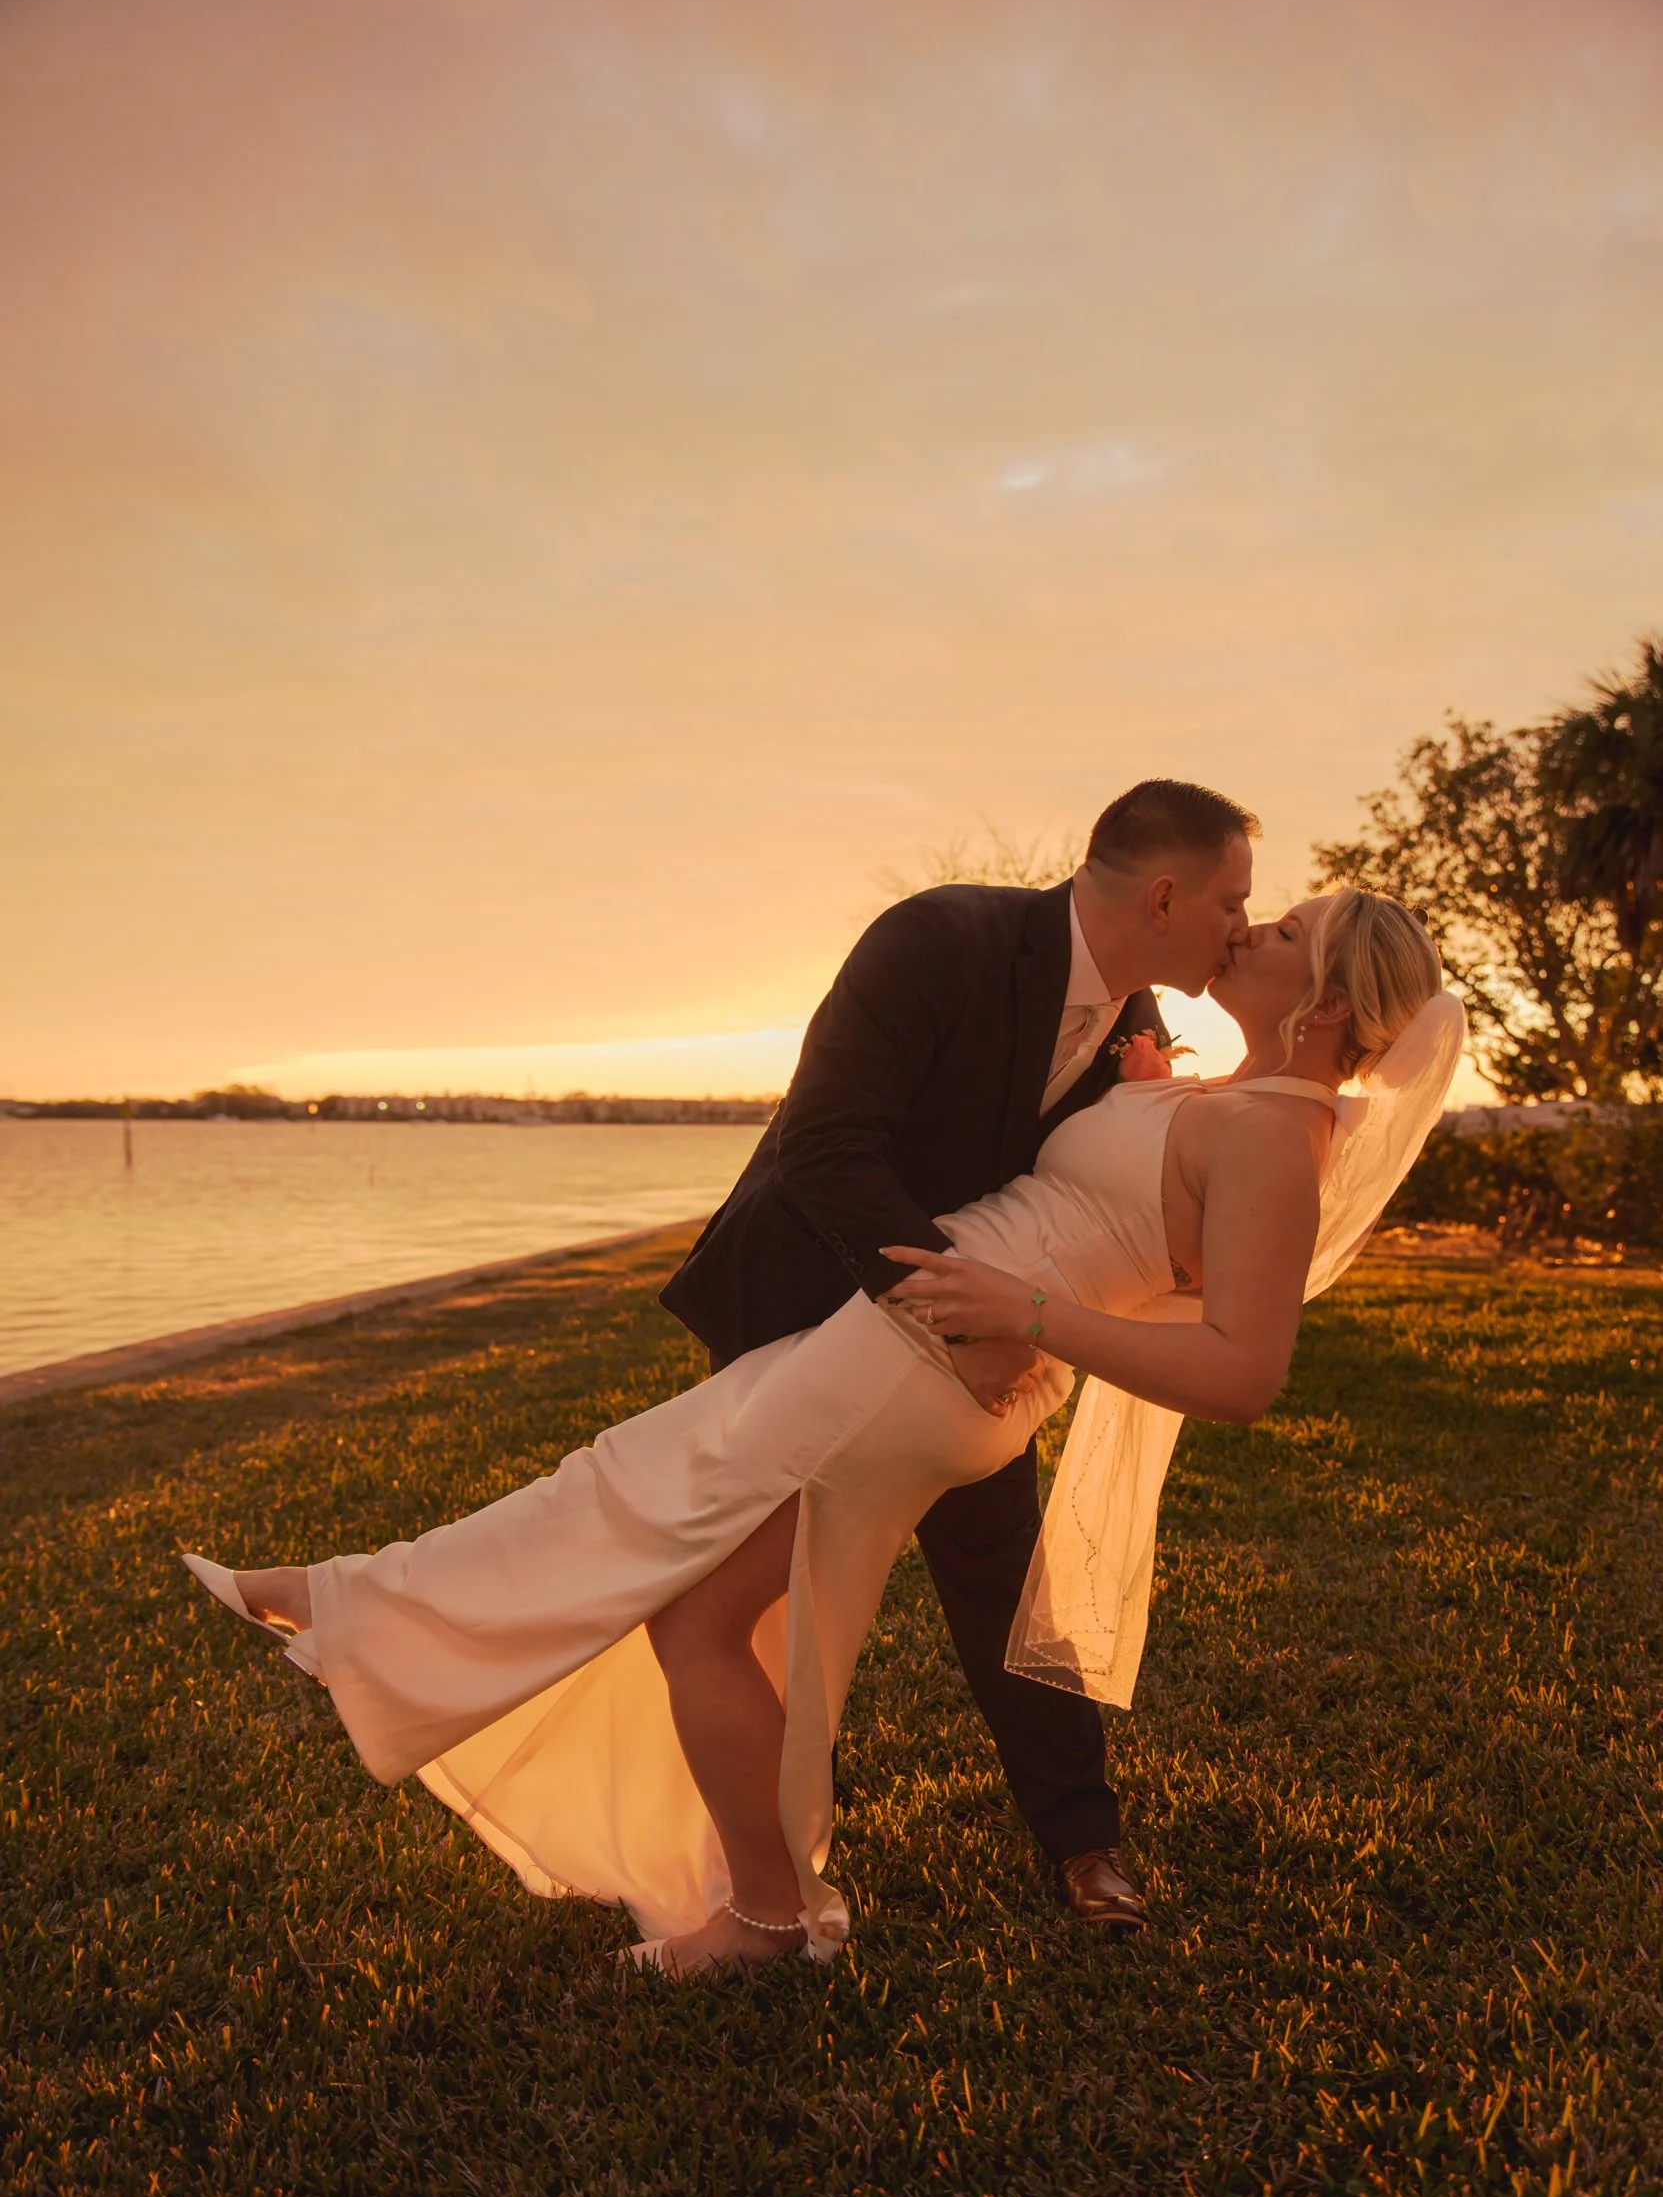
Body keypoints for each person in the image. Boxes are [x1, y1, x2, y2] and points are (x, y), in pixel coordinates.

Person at [183, 884, 1461, 1980]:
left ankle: (742, 1897)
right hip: (911, 1341)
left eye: (1286, 926)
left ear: (1331, 1000)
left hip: (924, 1357)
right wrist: (1129, 1115)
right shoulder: (1211, 1091)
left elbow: (1241, 1373)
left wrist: (1032, 1312)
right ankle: (757, 1898)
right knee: (689, 1560)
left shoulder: (1278, 1144)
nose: (1252, 926)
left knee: (643, 1506)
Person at [661, 778, 1258, 1931]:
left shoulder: (1137, 1024)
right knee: (753, 1585)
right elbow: (826, 1150)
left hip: (973, 1348)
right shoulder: (937, 938)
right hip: (804, 1301)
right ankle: (761, 1856)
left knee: (1002, 1576)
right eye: (1235, 899)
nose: (1242, 922)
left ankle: (1085, 1845)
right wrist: (964, 1320)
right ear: (1167, 893)